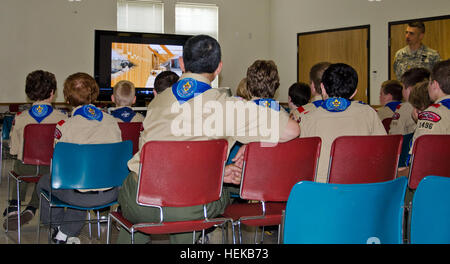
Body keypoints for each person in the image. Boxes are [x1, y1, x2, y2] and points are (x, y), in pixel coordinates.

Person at [116, 35, 300, 244]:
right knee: (211, 196)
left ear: (182, 63)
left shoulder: (157, 103)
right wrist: (248, 145)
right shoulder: (229, 108)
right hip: (193, 206)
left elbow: (169, 159)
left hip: (141, 202)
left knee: (140, 188)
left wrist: (218, 173)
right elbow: (292, 130)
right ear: (218, 68)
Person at [36, 72, 122, 244]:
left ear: (67, 99)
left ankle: (58, 228)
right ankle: (64, 233)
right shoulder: (112, 122)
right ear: (94, 94)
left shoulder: (65, 127)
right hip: (111, 193)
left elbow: (59, 168)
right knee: (84, 182)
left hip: (79, 194)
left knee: (44, 183)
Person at [299, 63, 386, 183]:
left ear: (322, 88)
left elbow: (300, 163)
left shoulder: (308, 119)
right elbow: (384, 153)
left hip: (321, 193)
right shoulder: (369, 113)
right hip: (361, 191)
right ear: (354, 92)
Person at [3, 70, 67, 230]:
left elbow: (14, 150)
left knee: (20, 165)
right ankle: (32, 207)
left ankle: (14, 204)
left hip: (25, 167)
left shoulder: (20, 117)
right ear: (52, 93)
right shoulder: (62, 118)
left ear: (29, 93)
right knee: (48, 177)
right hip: (50, 169)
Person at [410, 59, 450, 148]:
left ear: (435, 85)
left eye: (429, 82)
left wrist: (422, 122)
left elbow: (421, 154)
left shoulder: (432, 114)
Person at [389, 67, 430, 135]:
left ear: (410, 89)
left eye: (403, 88)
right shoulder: (436, 107)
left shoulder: (405, 107)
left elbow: (395, 135)